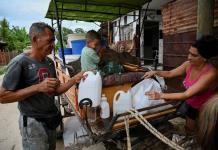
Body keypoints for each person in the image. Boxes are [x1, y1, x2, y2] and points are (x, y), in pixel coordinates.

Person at [0, 22, 85, 150]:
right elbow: (3, 97)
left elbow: (56, 91)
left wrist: (74, 79)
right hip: (33, 123)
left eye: (54, 41)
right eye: (49, 41)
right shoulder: (20, 62)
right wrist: (38, 87)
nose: (53, 45)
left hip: (50, 120)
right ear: (35, 39)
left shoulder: (49, 62)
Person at [144, 35, 218, 133]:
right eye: (189, 53)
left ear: (205, 58)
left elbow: (186, 94)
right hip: (192, 104)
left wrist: (160, 95)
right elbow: (170, 73)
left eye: (194, 55)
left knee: (204, 134)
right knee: (189, 129)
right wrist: (155, 72)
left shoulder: (211, 73)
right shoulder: (188, 65)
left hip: (206, 109)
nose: (189, 57)